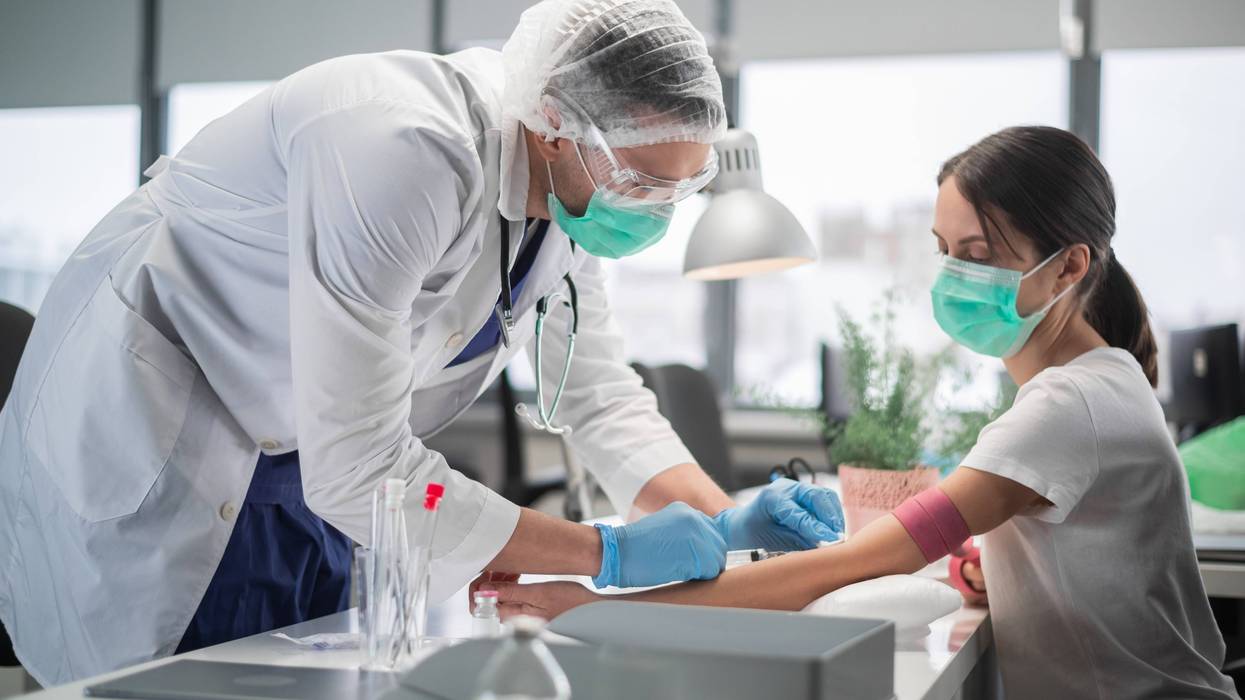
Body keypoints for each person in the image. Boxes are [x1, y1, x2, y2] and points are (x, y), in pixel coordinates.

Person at [0, 0, 844, 685]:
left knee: (298, 671)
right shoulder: (399, 143)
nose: (655, 211)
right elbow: (360, 465)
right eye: (639, 181)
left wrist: (720, 519)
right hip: (168, 430)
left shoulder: (566, 202)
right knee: (172, 682)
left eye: (677, 187)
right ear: (555, 122)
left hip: (304, 458)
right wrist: (607, 552)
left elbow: (598, 394)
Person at [486, 126, 1240, 699]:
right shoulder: (1097, 380)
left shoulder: (1068, 403)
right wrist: (1008, 565)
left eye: (978, 253)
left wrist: (596, 610)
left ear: (1070, 265)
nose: (952, 276)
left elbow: (855, 565)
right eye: (944, 249)